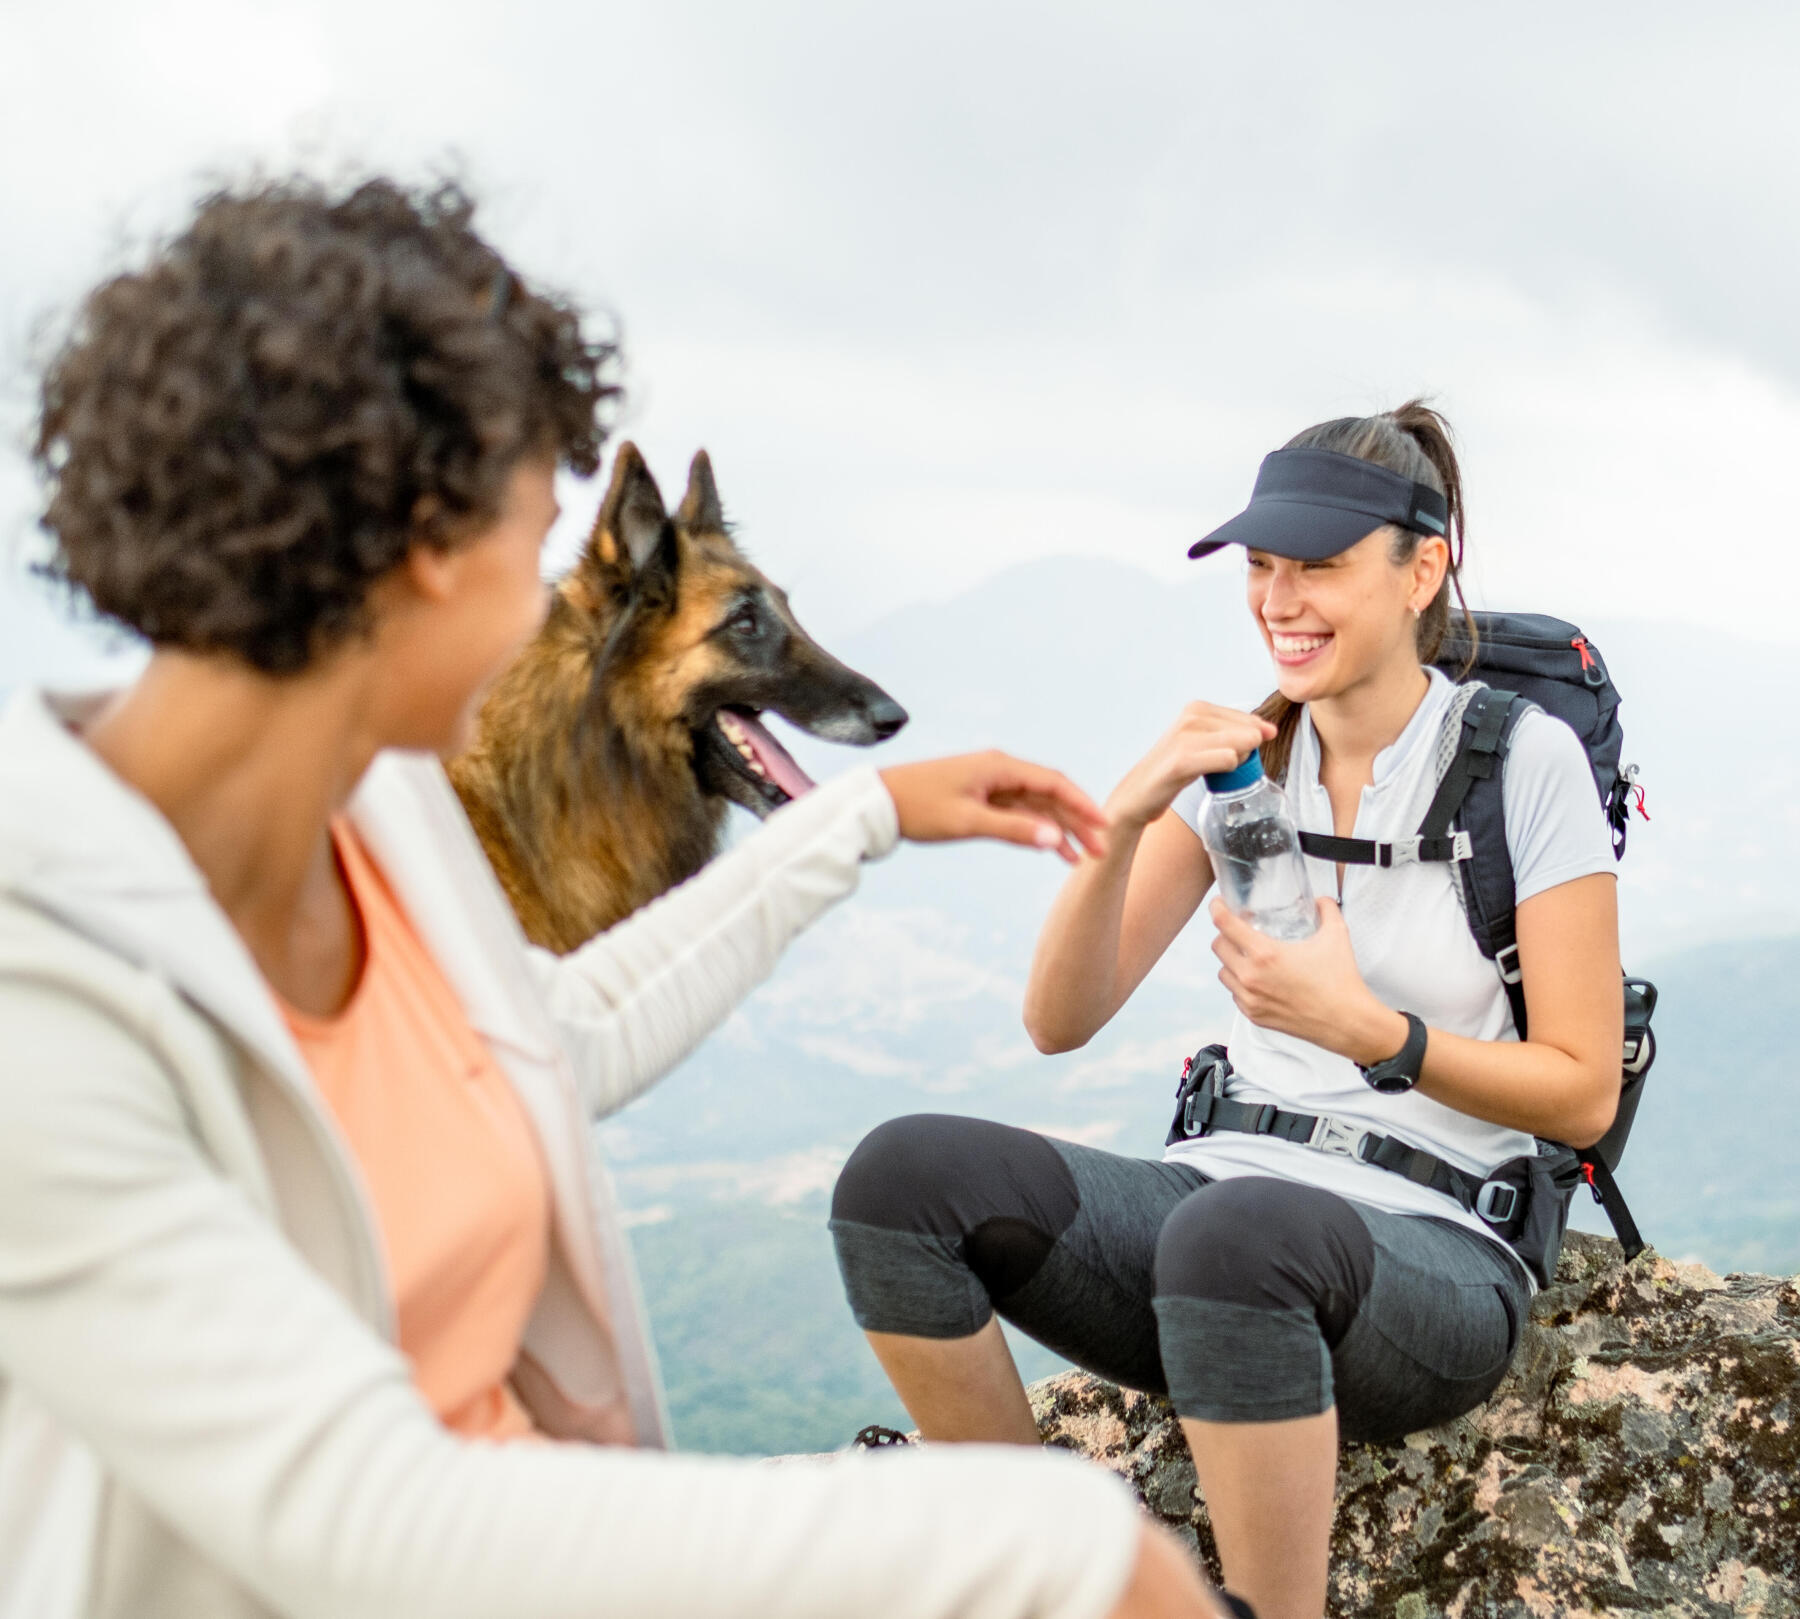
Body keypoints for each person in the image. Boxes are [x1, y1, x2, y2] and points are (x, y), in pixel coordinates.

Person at [0, 176, 1227, 1619]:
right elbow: (357, 1519)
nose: (545, 612)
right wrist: (1039, 1539)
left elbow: (548, 1038)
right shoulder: (43, 982)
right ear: (417, 542)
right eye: (530, 552)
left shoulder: (378, 810)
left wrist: (871, 814)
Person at [829, 404, 1624, 1619]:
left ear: (1423, 569)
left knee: (1241, 1234)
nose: (1280, 598)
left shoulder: (1522, 762)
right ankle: (1042, 1564)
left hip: (1438, 1246)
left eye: (1319, 564)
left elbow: (1581, 1086)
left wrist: (1375, 1034)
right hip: (1220, 1209)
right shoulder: (1247, 761)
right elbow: (1060, 1018)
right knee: (898, 1181)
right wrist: (1129, 820)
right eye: (1262, 565)